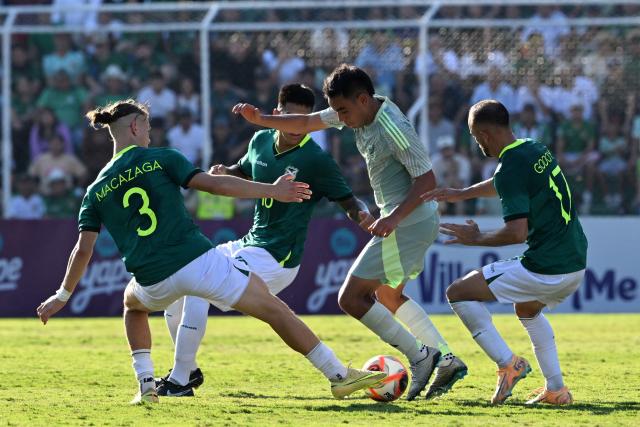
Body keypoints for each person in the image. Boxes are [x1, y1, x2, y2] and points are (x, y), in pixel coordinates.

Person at [36, 99, 385, 405]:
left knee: (133, 305)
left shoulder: (95, 190)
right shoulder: (160, 158)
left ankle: (146, 384)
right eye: (148, 128)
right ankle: (340, 376)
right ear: (135, 125)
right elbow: (216, 185)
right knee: (275, 310)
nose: (150, 135)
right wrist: (272, 190)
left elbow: (82, 249)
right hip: (197, 262)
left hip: (152, 279)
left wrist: (62, 294)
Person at [233, 64, 467, 401]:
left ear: (362, 99)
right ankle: (443, 358)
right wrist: (261, 121)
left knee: (352, 298)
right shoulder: (355, 109)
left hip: (411, 220)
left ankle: (423, 357)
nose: (340, 118)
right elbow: (304, 122)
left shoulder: (393, 126)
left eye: (343, 110)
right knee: (387, 295)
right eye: (336, 111)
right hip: (406, 219)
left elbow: (427, 181)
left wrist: (394, 219)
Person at [159, 83, 376, 397]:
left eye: (305, 121)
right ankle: (188, 371)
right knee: (180, 284)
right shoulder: (260, 140)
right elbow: (246, 171)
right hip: (250, 243)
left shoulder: (316, 160)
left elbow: (347, 200)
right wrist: (226, 171)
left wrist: (365, 217)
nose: (297, 128)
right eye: (290, 118)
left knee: (198, 286)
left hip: (278, 258)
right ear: (277, 115)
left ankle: (179, 380)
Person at [422, 100, 587, 406]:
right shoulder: (533, 147)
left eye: (474, 136)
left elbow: (516, 233)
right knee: (527, 310)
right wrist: (462, 193)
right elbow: (505, 183)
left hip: (546, 267)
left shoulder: (509, 166)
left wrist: (475, 238)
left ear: (484, 133)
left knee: (458, 292)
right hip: (575, 261)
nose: (476, 143)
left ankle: (508, 364)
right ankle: (556, 390)